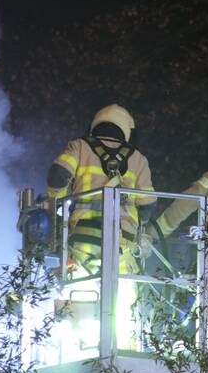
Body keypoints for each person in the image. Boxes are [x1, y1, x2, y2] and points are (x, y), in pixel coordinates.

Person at [46, 104, 156, 274]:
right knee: (126, 294)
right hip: (122, 243)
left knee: (72, 290)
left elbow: (58, 175)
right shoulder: (138, 159)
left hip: (83, 236)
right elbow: (147, 204)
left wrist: (55, 205)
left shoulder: (80, 147)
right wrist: (141, 226)